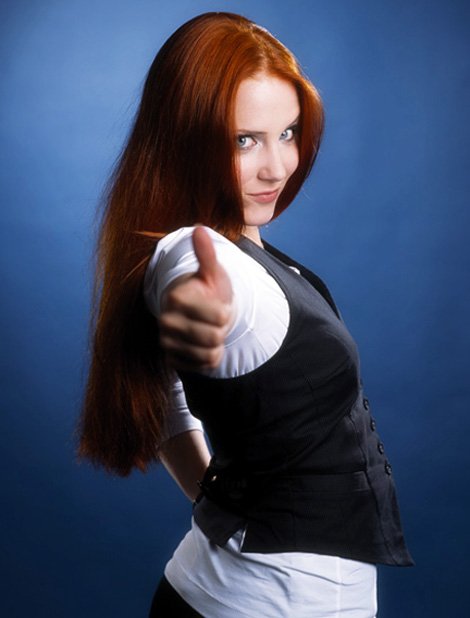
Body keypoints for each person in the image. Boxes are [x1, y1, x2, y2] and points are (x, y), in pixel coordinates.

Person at [78, 11, 413, 617]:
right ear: (185, 139)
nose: (277, 167)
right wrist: (196, 314)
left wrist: (223, 500)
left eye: (287, 132)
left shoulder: (246, 244)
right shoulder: (193, 253)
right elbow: (192, 279)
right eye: (244, 140)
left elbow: (167, 407)